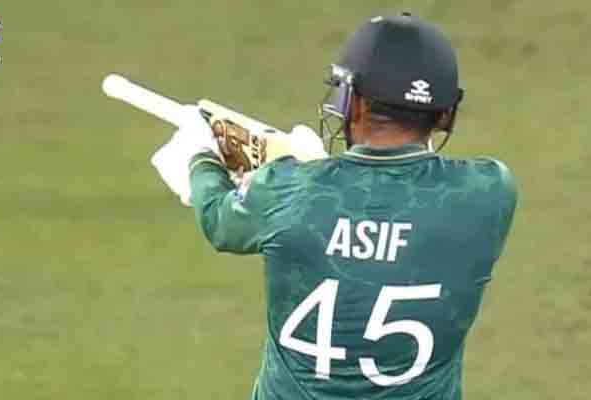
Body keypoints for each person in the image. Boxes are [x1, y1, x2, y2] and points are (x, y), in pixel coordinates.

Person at [152, 13, 517, 400]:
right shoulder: (488, 193)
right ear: (445, 114)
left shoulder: (286, 190)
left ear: (352, 104)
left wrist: (201, 159)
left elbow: (220, 220)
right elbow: (395, 205)